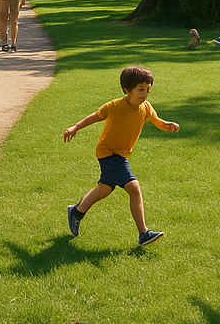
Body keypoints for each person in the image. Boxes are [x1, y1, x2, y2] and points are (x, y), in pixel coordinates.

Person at [63, 65, 179, 247]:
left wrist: (168, 125)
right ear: (127, 90)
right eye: (141, 89)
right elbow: (95, 116)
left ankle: (77, 211)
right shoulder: (116, 106)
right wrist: (75, 127)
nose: (145, 94)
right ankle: (143, 233)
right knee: (134, 187)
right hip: (109, 152)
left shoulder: (146, 107)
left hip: (121, 154)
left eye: (148, 89)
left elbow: (157, 121)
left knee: (104, 189)